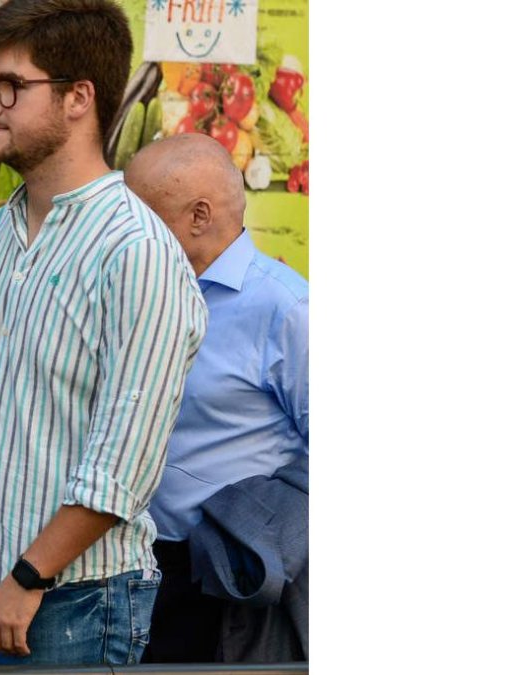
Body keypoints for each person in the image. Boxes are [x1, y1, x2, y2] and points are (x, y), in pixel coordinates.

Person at [0, 0, 208, 667]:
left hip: (70, 598)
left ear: (78, 97)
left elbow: (125, 460)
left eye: (10, 86)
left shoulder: (137, 250)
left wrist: (28, 577)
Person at [123, 133, 309, 663]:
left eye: (138, 214)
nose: (123, 230)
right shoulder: (143, 294)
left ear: (199, 216)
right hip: (128, 565)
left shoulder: (286, 309)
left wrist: (271, 535)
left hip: (230, 579)